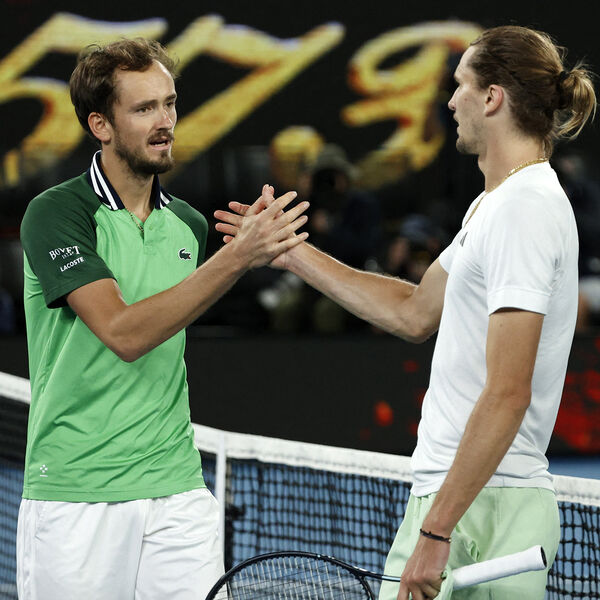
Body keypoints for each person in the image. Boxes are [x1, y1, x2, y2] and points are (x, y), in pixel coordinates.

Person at [215, 26, 596, 599]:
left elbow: (508, 393)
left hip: (483, 509)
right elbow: (413, 312)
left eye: (460, 85)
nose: (451, 101)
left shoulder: (524, 210)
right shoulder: (494, 205)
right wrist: (289, 251)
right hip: (463, 500)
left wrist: (437, 531)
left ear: (492, 97)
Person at [17, 38, 308, 600]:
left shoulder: (190, 226)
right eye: (144, 108)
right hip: (77, 493)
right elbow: (123, 333)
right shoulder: (56, 213)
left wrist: (252, 253)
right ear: (101, 125)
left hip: (175, 487)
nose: (165, 122)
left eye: (169, 104)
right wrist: (236, 257)